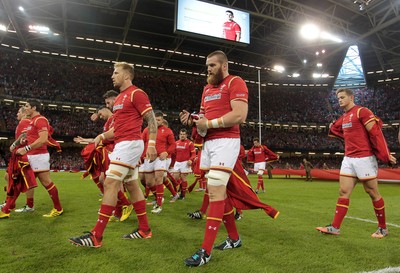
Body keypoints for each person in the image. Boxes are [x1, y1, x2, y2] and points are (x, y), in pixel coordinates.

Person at [69, 61, 157, 247]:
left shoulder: (136, 93)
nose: (112, 76)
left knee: (110, 183)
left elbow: (151, 120)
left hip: (130, 144)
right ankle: (145, 230)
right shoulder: (119, 100)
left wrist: (152, 144)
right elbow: (116, 129)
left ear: (126, 76)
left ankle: (96, 236)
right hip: (122, 143)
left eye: (116, 72)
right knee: (132, 185)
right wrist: (100, 136)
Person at [180, 50, 249, 267]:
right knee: (219, 192)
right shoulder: (206, 89)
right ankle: (235, 239)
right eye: (207, 65)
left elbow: (239, 115)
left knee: (216, 190)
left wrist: (208, 124)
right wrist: (192, 121)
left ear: (224, 66)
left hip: (226, 141)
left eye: (212, 65)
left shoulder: (235, 82)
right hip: (209, 143)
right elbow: (203, 118)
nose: (208, 69)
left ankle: (205, 252)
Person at [316, 88, 396, 238]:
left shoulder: (362, 112)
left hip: (364, 158)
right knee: (343, 192)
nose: (339, 100)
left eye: (342, 97)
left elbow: (376, 134)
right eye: (338, 98)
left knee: (372, 192)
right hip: (348, 159)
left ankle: (383, 228)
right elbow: (335, 129)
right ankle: (335, 227)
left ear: (351, 97)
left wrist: (385, 154)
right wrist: (332, 127)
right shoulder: (345, 117)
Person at [14, 99, 63, 218]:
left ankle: (58, 208)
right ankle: (28, 206)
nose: (25, 108)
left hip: (39, 156)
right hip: (33, 155)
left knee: (45, 182)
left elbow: (43, 139)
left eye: (27, 106)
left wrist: (25, 148)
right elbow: (34, 138)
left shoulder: (40, 120)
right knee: (27, 181)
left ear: (34, 108)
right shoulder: (32, 121)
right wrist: (25, 141)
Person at [0, 106, 38, 218]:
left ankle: (28, 205)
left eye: (18, 112)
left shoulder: (25, 122)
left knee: (26, 181)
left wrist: (14, 144)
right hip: (19, 155)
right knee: (8, 177)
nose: (16, 114)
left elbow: (25, 135)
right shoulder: (24, 122)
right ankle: (10, 203)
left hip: (23, 156)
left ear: (24, 113)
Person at [142, 111, 176, 214]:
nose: (157, 122)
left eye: (159, 120)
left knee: (159, 179)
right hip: (148, 158)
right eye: (155, 119)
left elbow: (173, 145)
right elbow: (142, 142)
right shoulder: (147, 130)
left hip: (160, 158)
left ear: (162, 120)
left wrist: (166, 152)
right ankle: (158, 198)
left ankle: (159, 206)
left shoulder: (167, 131)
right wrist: (141, 155)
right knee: (148, 182)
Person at [172, 128, 196, 200]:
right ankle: (177, 192)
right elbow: (174, 153)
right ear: (179, 135)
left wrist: (191, 160)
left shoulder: (190, 143)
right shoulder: (176, 143)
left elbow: (194, 153)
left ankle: (183, 195)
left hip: (185, 163)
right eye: (181, 134)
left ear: (186, 135)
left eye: (184, 134)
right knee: (174, 179)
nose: (182, 136)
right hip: (177, 162)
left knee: (183, 178)